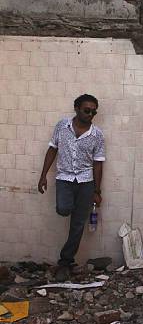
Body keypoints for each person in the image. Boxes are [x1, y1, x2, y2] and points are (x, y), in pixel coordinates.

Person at [38, 94, 105, 281]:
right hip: (65, 178)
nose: (90, 114)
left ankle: (65, 262)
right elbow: (52, 149)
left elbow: (98, 163)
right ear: (76, 108)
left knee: (77, 225)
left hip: (86, 182)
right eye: (87, 110)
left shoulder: (97, 135)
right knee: (63, 208)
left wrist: (96, 192)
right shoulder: (62, 126)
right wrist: (43, 175)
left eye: (94, 111)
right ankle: (76, 210)